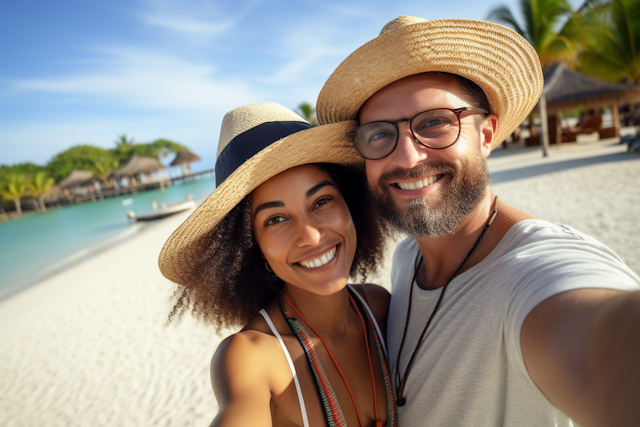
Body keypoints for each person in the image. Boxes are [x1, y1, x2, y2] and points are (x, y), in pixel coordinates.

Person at [315, 16, 640, 427]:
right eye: (379, 135)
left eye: (434, 122)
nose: (408, 157)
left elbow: (602, 342)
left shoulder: (537, 270)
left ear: (486, 135)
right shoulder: (406, 259)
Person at [158, 102, 396, 427]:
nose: (311, 236)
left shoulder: (380, 307)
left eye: (322, 201)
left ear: (351, 204)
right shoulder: (251, 357)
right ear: (253, 249)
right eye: (276, 219)